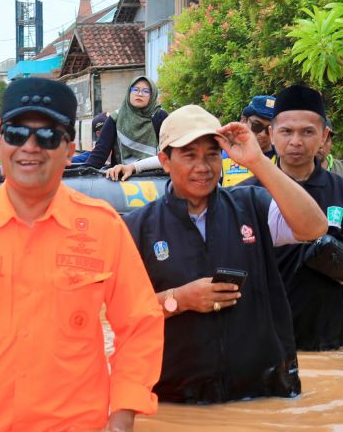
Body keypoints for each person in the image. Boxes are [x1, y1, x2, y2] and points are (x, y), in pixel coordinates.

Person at [0, 77, 164, 432]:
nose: (30, 147)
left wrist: (121, 425)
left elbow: (139, 323)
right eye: (16, 133)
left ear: (69, 149)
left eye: (46, 136)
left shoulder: (103, 227)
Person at [122, 106, 327, 404]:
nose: (203, 166)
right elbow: (123, 316)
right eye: (189, 155)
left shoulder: (253, 205)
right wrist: (179, 299)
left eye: (212, 154)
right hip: (175, 398)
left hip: (264, 393)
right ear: (165, 161)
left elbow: (315, 228)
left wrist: (258, 161)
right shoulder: (137, 227)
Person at [240, 85, 343, 351]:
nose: (296, 141)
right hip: (263, 339)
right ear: (271, 134)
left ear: (323, 136)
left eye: (307, 132)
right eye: (286, 131)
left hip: (328, 336)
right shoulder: (245, 195)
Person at [88, 76, 169, 180]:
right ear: (129, 92)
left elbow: (169, 155)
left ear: (152, 95)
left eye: (146, 91)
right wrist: (83, 172)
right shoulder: (116, 118)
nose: (139, 94)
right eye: (135, 89)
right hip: (123, 178)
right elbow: (100, 153)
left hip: (156, 178)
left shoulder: (160, 117)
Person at [221, 94, 277, 187]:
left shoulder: (282, 161)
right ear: (243, 120)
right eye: (257, 126)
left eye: (269, 129)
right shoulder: (225, 156)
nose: (263, 134)